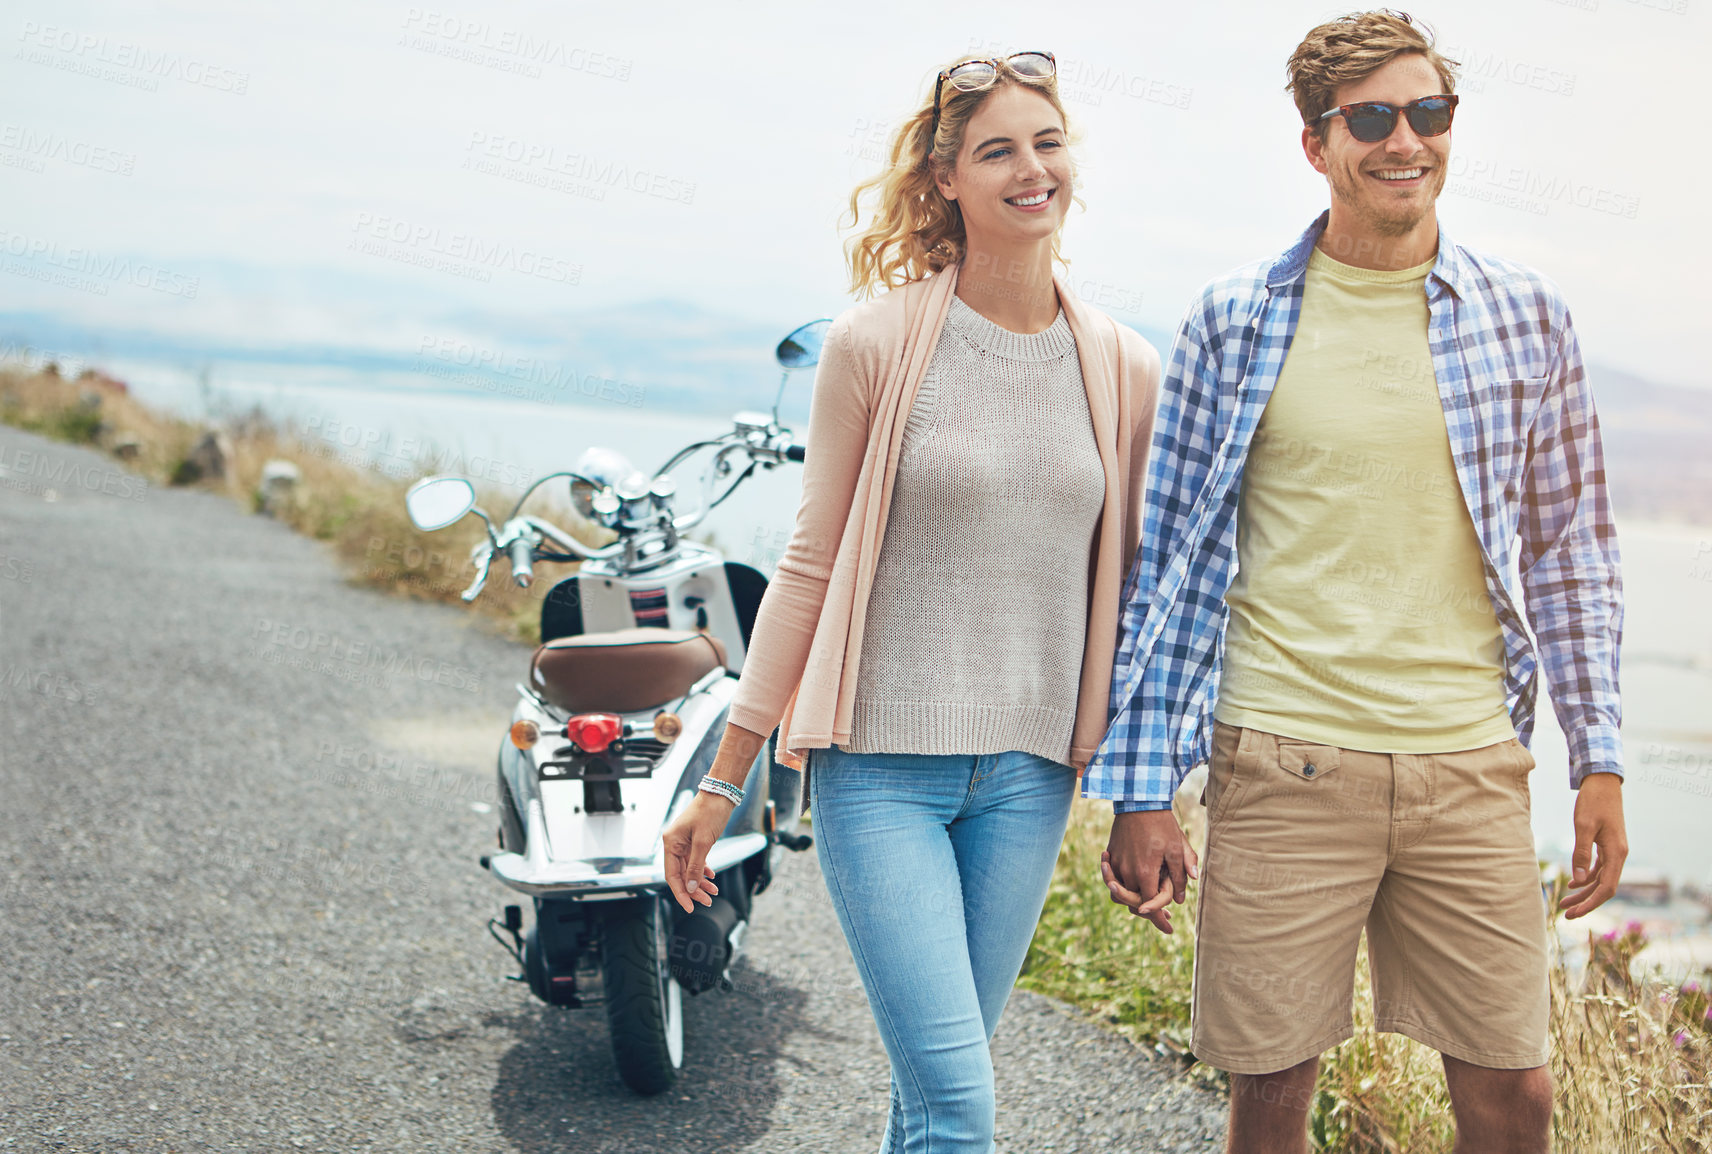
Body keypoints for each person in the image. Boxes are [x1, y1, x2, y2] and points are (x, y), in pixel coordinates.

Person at [1090, 11, 1628, 1153]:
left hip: (1469, 763)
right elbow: (1173, 562)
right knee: (1272, 1088)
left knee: (1514, 1092)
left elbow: (1571, 548)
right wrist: (1142, 784)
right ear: (1314, 142)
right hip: (1284, 756)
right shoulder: (1237, 320)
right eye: (1372, 118)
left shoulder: (1526, 317)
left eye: (1428, 113)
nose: (1405, 141)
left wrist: (1600, 753)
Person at [661, 50, 1160, 1154]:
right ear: (945, 179)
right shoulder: (875, 344)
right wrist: (724, 777)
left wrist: (1142, 788)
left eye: (1046, 142)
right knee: (957, 1108)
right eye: (997, 151)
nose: (1031, 169)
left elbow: (1137, 594)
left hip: (1028, 777)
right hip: (880, 771)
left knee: (935, 1091)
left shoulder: (1124, 366)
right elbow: (806, 565)